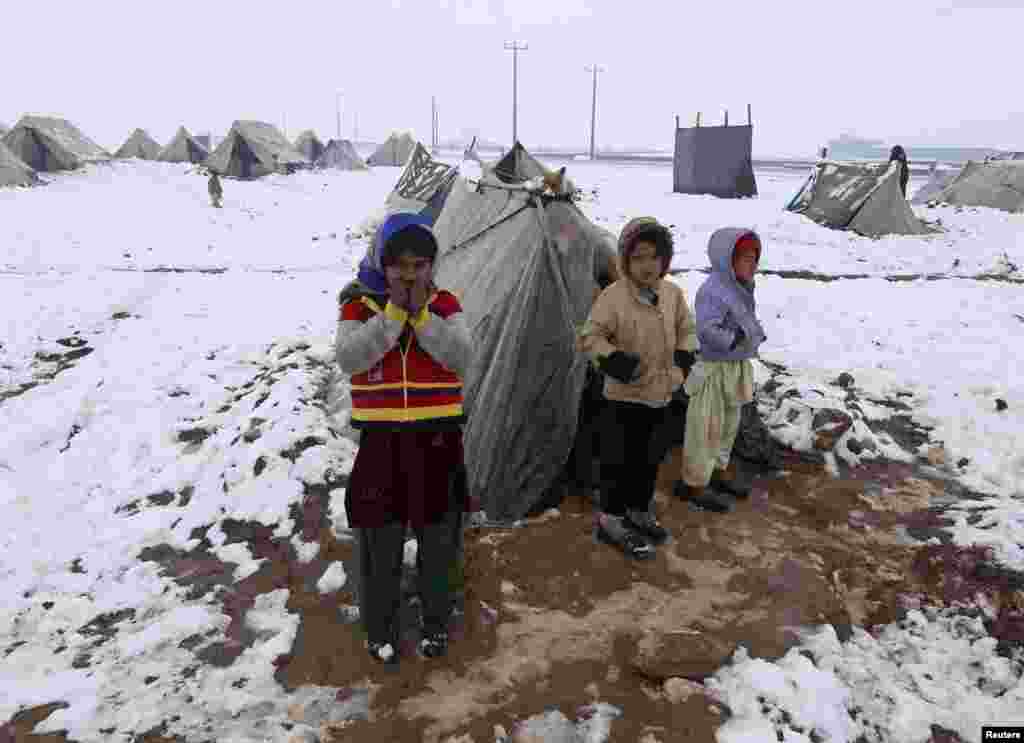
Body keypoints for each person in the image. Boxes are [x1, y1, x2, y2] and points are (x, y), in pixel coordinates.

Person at [335, 212, 472, 664]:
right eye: (400, 265)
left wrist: (423, 320)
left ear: (433, 266)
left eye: (420, 265)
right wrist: (394, 316)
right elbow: (351, 358)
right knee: (381, 539)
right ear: (383, 264)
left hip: (438, 440)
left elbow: (461, 357)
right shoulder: (359, 306)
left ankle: (436, 622)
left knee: (438, 538)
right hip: (382, 441)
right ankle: (381, 627)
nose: (410, 275)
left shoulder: (447, 305)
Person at [580, 217, 698, 559]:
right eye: (639, 257)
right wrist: (612, 360)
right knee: (619, 462)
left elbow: (687, 329)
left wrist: (683, 359)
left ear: (665, 260)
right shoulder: (613, 297)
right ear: (625, 260)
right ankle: (612, 519)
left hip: (661, 396)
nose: (648, 266)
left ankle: (639, 509)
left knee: (648, 460)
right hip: (623, 399)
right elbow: (590, 336)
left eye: (655, 257)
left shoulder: (672, 294)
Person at [676, 229, 766, 512]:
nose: (752, 264)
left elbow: (744, 319)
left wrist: (753, 334)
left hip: (734, 366)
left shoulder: (741, 287)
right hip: (713, 369)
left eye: (755, 258)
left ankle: (716, 471)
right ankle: (694, 482)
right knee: (705, 427)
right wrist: (734, 338)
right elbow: (705, 329)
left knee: (728, 424)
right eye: (745, 258)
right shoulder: (713, 291)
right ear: (727, 259)